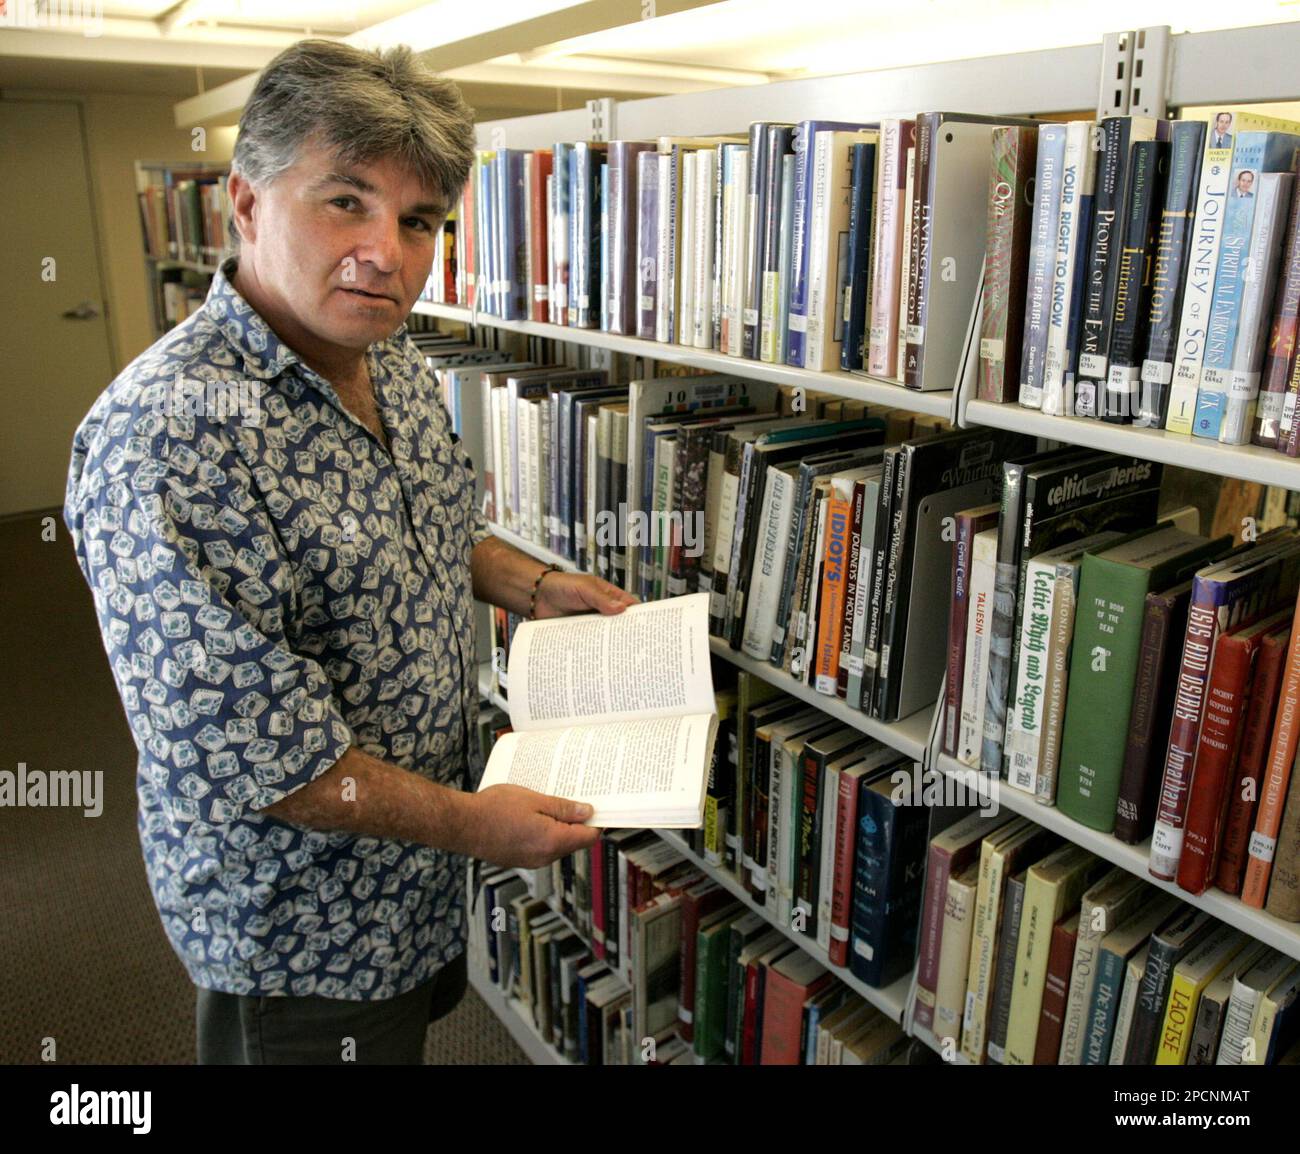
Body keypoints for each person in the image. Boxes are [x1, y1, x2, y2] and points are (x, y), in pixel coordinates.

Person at [62, 38, 637, 1065]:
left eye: (418, 221)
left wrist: (537, 583)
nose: (388, 252)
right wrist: (478, 827)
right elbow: (256, 753)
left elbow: (433, 528)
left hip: (414, 877)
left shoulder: (395, 361)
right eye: (345, 202)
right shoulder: (167, 435)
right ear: (246, 203)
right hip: (299, 930)